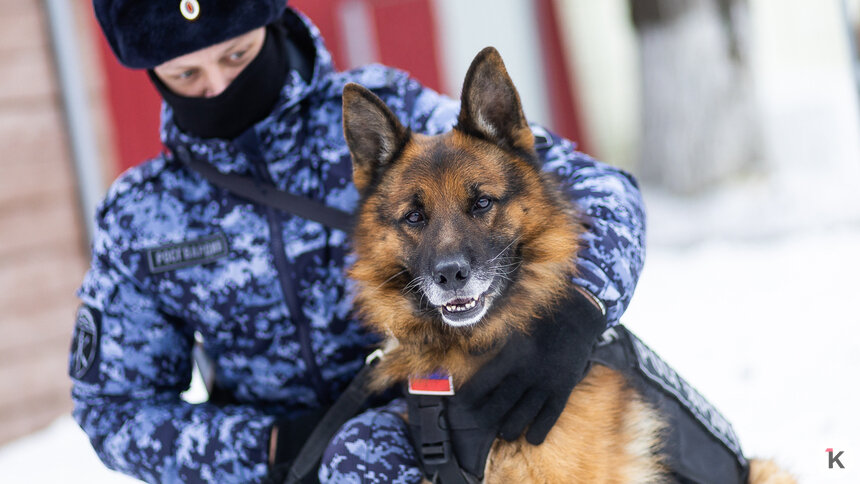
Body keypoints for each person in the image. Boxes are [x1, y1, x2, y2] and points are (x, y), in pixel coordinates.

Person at [69, 1, 646, 482]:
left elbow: (599, 188)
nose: (218, 86)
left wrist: (579, 308)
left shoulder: (386, 109)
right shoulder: (140, 215)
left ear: (267, 26)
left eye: (235, 55)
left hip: (427, 430)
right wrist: (271, 446)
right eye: (185, 75)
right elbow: (114, 411)